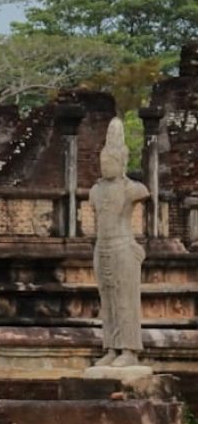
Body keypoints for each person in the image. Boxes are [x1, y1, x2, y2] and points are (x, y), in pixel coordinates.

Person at [89, 119, 148, 368]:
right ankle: (111, 347)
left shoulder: (132, 189)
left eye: (110, 163)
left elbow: (146, 191)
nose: (105, 167)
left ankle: (129, 349)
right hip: (102, 248)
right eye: (103, 163)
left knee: (126, 300)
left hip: (124, 247)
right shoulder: (96, 190)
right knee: (108, 301)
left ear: (121, 163)